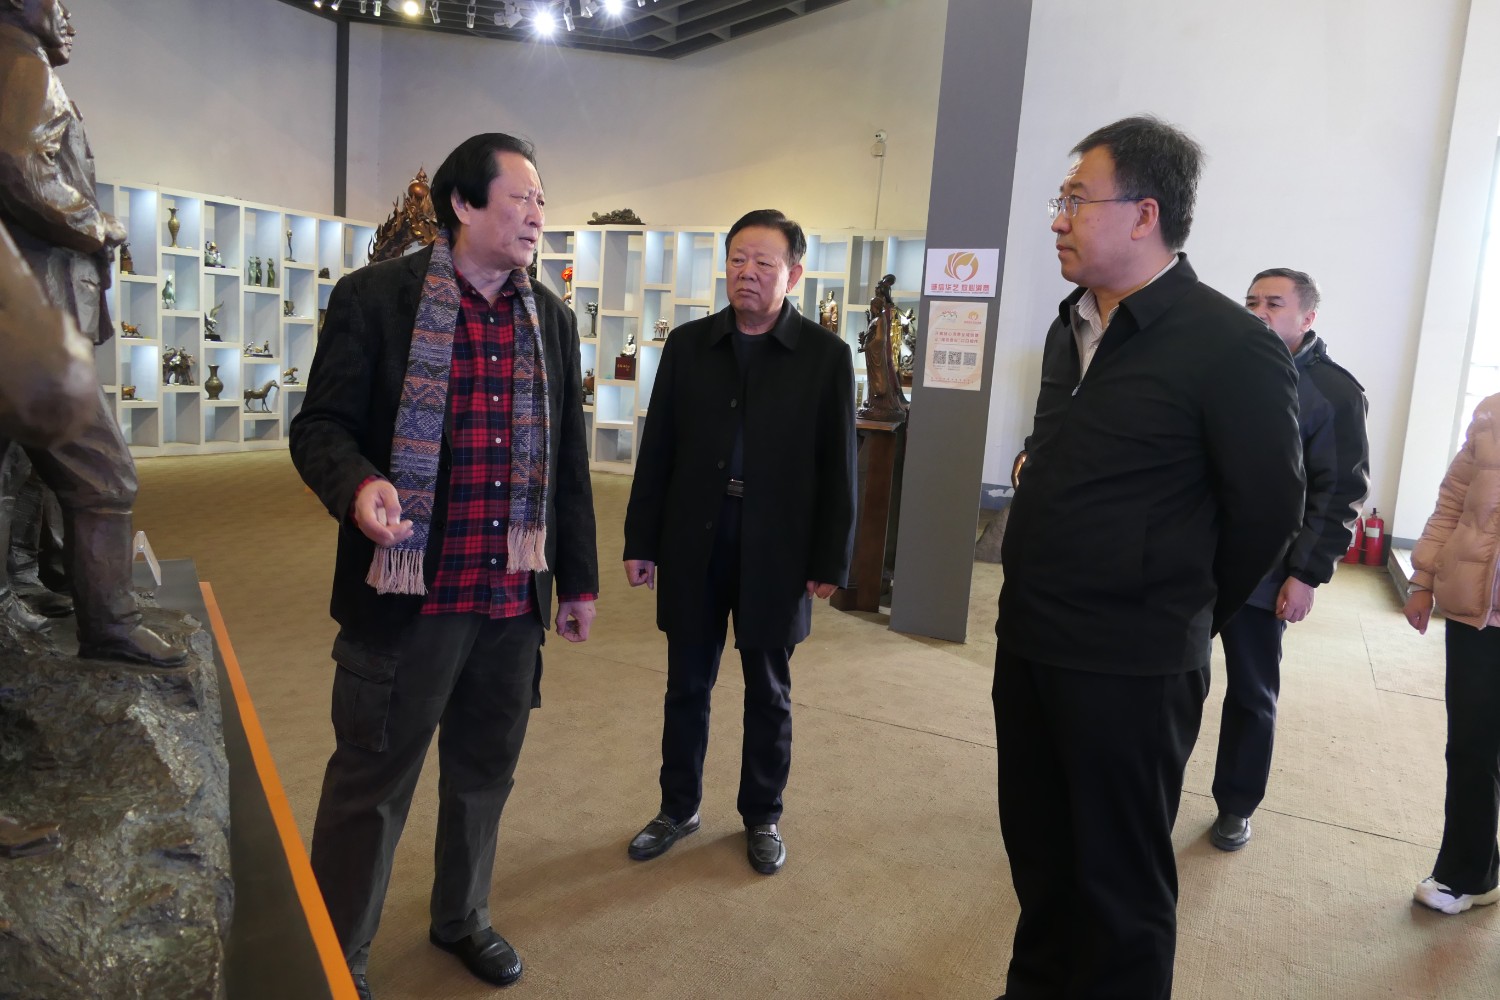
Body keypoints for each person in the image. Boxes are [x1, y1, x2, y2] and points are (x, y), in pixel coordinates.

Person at [993, 116, 1305, 1000]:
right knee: (1041, 858)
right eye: (1060, 200)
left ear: (1144, 215)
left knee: (1120, 884)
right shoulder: (1072, 326)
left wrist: (1178, 602)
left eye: (1075, 199)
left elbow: (1268, 508)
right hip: (1033, 639)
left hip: (1133, 660)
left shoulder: (1230, 344)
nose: (1058, 219)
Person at [289, 132, 598, 999]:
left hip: (509, 598)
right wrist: (360, 488)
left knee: (484, 773)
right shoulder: (374, 300)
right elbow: (320, 428)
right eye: (521, 198)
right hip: (407, 597)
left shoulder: (551, 320)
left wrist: (577, 581)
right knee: (372, 781)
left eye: (542, 201)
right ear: (463, 205)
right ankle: (335, 953)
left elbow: (568, 466)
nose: (537, 216)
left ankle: (462, 917)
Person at [622, 209, 856, 876]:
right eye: (737, 260)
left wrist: (830, 558)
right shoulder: (689, 345)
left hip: (778, 548)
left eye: (764, 263)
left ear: (794, 274)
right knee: (686, 684)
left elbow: (840, 468)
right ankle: (677, 807)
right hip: (695, 538)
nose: (747, 273)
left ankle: (762, 815)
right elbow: (658, 450)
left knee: (769, 691)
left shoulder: (826, 357)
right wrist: (641, 540)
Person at [0, 0, 184, 668]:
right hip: (29, 319)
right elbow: (20, 167)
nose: (68, 18)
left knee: (14, 474)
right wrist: (97, 224)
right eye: (57, 2)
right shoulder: (22, 65)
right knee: (103, 474)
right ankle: (111, 626)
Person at [1208, 269, 1370, 851]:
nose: (1258, 311)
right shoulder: (1220, 368)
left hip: (1267, 571)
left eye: (1274, 303)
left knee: (1251, 694)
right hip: (1196, 559)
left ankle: (1235, 805)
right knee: (1167, 681)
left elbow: (1338, 494)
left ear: (1307, 317)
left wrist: (1305, 575)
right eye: (1251, 301)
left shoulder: (1334, 393)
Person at [1403, 395, 1500, 916]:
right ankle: (1469, 872)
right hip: (1475, 614)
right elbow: (1451, 505)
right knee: (1470, 746)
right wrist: (1422, 579)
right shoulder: (1492, 413)